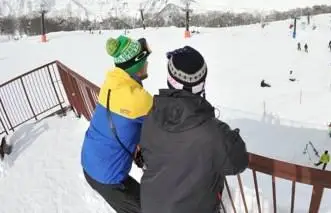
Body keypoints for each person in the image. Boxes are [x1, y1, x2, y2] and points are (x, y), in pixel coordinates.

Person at [140, 46, 249, 213]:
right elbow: (238, 161)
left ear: (170, 80)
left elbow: (148, 155)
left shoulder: (151, 116)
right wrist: (228, 135)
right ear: (201, 84)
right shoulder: (213, 133)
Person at [81, 35, 153, 213]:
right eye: (144, 60)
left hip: (90, 163)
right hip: (108, 177)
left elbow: (124, 120)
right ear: (136, 66)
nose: (147, 63)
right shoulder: (138, 99)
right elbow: (167, 124)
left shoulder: (111, 83)